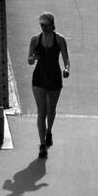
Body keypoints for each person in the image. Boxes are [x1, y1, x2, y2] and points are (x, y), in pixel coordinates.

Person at [28, 12, 69, 159]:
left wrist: (66, 69)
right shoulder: (35, 40)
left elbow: (66, 58)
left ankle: (49, 131)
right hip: (38, 78)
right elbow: (29, 60)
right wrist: (34, 57)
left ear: (52, 24)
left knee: (51, 109)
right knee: (41, 111)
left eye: (46, 25)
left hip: (54, 78)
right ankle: (42, 145)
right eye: (41, 25)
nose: (43, 28)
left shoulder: (60, 40)